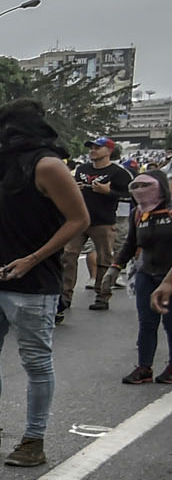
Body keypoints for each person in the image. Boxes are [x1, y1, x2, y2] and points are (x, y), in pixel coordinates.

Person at [0, 101, 88, 469]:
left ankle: (33, 438)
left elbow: (78, 220)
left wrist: (32, 259)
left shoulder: (48, 165)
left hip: (33, 280)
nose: (2, 136)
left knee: (37, 362)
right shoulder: (1, 165)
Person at [65, 136, 132, 313]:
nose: (93, 150)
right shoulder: (82, 169)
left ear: (109, 151)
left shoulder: (118, 172)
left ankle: (102, 296)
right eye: (91, 147)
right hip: (79, 219)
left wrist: (108, 191)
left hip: (103, 221)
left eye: (97, 147)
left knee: (104, 260)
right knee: (68, 256)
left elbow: (130, 194)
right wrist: (75, 188)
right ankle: (64, 296)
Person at [122, 169, 172, 384]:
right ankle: (144, 367)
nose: (141, 191)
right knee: (146, 323)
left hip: (169, 275)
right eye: (137, 186)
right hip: (146, 274)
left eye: (146, 186)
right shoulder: (138, 213)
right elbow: (131, 242)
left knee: (171, 323)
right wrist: (115, 266)